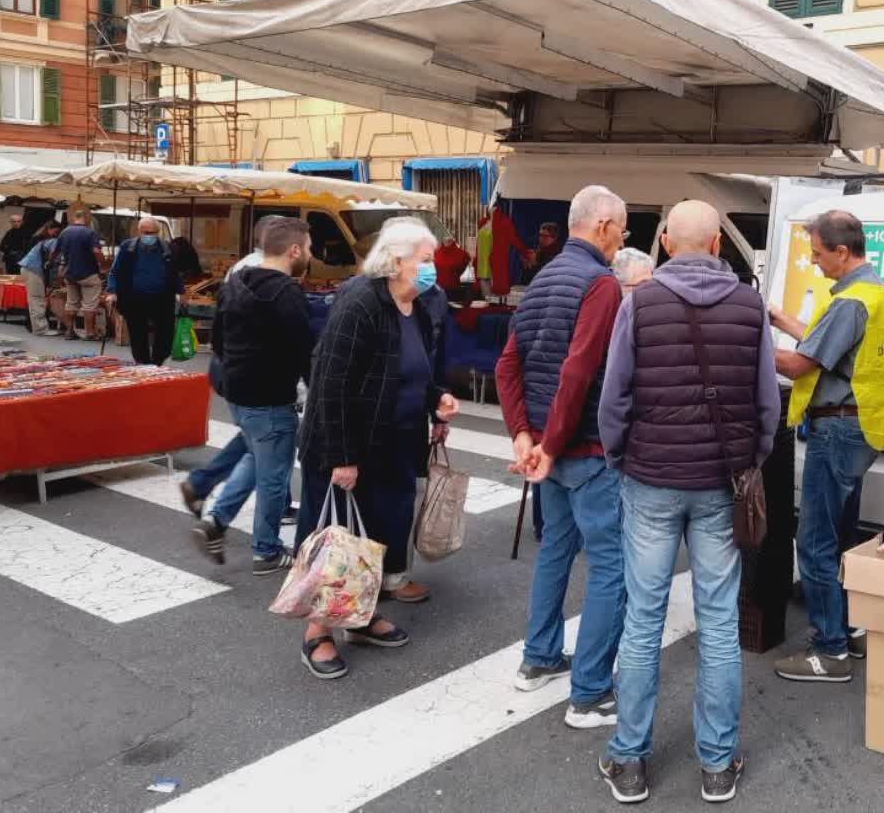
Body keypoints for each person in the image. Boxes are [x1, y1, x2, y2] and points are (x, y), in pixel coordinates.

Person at [594, 201, 777, 804]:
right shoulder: (750, 308)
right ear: (719, 247)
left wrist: (622, 458)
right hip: (722, 483)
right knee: (721, 622)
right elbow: (764, 405)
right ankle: (718, 765)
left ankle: (629, 761)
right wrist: (750, 462)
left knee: (643, 621)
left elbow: (614, 397)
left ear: (667, 244)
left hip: (650, 478)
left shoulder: (639, 303)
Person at [292, 217, 460, 680]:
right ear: (397, 260)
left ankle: (361, 617)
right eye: (426, 261)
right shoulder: (360, 302)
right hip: (350, 446)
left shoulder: (420, 305)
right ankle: (317, 633)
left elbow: (416, 369)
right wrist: (342, 457)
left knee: (379, 535)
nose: (433, 270)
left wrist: (435, 400)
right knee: (338, 541)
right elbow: (330, 384)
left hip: (396, 443)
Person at [495, 184, 629, 728]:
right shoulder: (601, 284)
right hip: (584, 448)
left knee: (555, 550)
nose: (623, 240)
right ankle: (591, 692)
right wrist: (546, 445)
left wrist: (523, 436)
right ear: (602, 227)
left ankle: (540, 657)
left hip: (549, 447)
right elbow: (578, 371)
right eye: (622, 229)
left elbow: (509, 364)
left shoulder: (543, 277)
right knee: (610, 566)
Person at [766, 209, 884, 683]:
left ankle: (830, 651)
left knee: (816, 540)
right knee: (844, 537)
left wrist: (741, 338)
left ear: (842, 252)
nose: (813, 261)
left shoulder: (850, 303)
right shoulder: (873, 293)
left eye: (818, 253)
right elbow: (830, 347)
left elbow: (800, 366)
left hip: (840, 430)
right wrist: (780, 318)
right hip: (860, 428)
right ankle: (849, 630)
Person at [179, 217, 316, 574]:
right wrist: (315, 392)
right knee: (274, 475)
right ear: (294, 250)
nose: (311, 255)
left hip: (238, 393)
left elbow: (218, 342)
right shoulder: (287, 293)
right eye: (310, 248)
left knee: (257, 458)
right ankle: (266, 551)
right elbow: (304, 352)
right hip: (270, 396)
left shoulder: (235, 282)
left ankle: (216, 521)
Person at [106, 218, 186, 366]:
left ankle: (157, 361)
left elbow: (176, 272)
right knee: (137, 334)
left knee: (165, 334)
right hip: (134, 298)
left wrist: (180, 292)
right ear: (139, 231)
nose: (149, 236)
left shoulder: (168, 248)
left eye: (153, 233)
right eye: (146, 232)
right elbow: (115, 271)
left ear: (159, 232)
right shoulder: (127, 247)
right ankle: (143, 363)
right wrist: (112, 291)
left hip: (162, 298)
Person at [55, 209, 106, 340]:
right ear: (87, 218)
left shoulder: (65, 232)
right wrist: (104, 265)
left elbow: (55, 251)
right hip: (88, 273)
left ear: (73, 218)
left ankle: (69, 331)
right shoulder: (90, 232)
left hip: (70, 274)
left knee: (71, 303)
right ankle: (90, 333)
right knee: (89, 304)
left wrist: (50, 262)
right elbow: (96, 250)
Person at [18, 221, 61, 335]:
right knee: (37, 299)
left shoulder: (43, 239)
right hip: (33, 270)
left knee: (34, 299)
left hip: (27, 268)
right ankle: (41, 329)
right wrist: (50, 262)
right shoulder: (54, 241)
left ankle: (37, 327)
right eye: (57, 231)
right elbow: (53, 255)